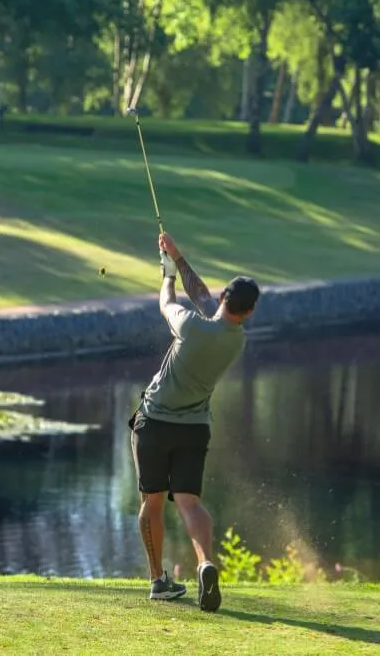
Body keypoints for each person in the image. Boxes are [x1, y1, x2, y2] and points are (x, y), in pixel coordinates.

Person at [128, 231, 261, 612]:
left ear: (225, 298)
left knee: (151, 502)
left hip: (153, 422)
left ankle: (157, 581)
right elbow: (203, 298)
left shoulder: (188, 325)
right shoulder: (237, 340)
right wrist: (179, 258)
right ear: (248, 311)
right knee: (189, 502)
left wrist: (168, 273)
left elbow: (168, 302)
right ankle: (205, 562)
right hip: (194, 428)